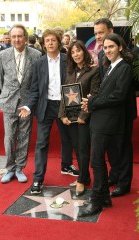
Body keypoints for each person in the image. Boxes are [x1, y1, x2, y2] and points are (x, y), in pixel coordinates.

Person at [78, 33, 134, 216]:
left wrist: (93, 102)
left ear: (121, 48)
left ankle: (96, 201)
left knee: (96, 162)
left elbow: (119, 96)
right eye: (106, 47)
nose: (108, 50)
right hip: (100, 120)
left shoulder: (124, 68)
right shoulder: (110, 67)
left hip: (108, 122)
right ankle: (104, 198)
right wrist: (92, 100)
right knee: (98, 161)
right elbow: (107, 93)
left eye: (111, 47)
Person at [19, 29, 78, 194]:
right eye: (47, 41)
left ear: (58, 42)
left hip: (63, 106)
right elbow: (34, 90)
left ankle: (66, 165)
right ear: (43, 44)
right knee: (41, 144)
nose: (50, 43)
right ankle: (38, 179)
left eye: (53, 40)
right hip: (45, 106)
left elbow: (73, 83)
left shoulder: (67, 61)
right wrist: (29, 106)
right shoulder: (38, 63)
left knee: (68, 139)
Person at [95, 18, 137, 197]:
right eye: (96, 34)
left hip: (124, 111)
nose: (98, 37)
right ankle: (114, 175)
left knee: (123, 147)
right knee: (112, 147)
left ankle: (124, 182)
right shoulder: (100, 55)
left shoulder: (131, 57)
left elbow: (126, 88)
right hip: (108, 111)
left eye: (101, 33)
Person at [0, 24, 41, 183]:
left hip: (26, 103)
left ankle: (20, 168)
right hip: (8, 101)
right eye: (13, 36)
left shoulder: (36, 55)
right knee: (9, 137)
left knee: (24, 136)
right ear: (10, 37)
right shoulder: (1, 56)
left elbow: (37, 80)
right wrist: (9, 94)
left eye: (19, 36)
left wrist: (28, 99)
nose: (16, 39)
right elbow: (0, 80)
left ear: (25, 37)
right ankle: (9, 169)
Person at [58, 40, 100, 196]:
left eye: (78, 51)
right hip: (70, 119)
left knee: (83, 149)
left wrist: (83, 116)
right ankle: (85, 176)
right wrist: (62, 115)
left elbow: (94, 95)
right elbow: (64, 95)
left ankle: (81, 180)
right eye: (72, 52)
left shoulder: (93, 71)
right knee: (76, 147)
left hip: (85, 119)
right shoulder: (70, 71)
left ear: (84, 51)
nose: (76, 54)